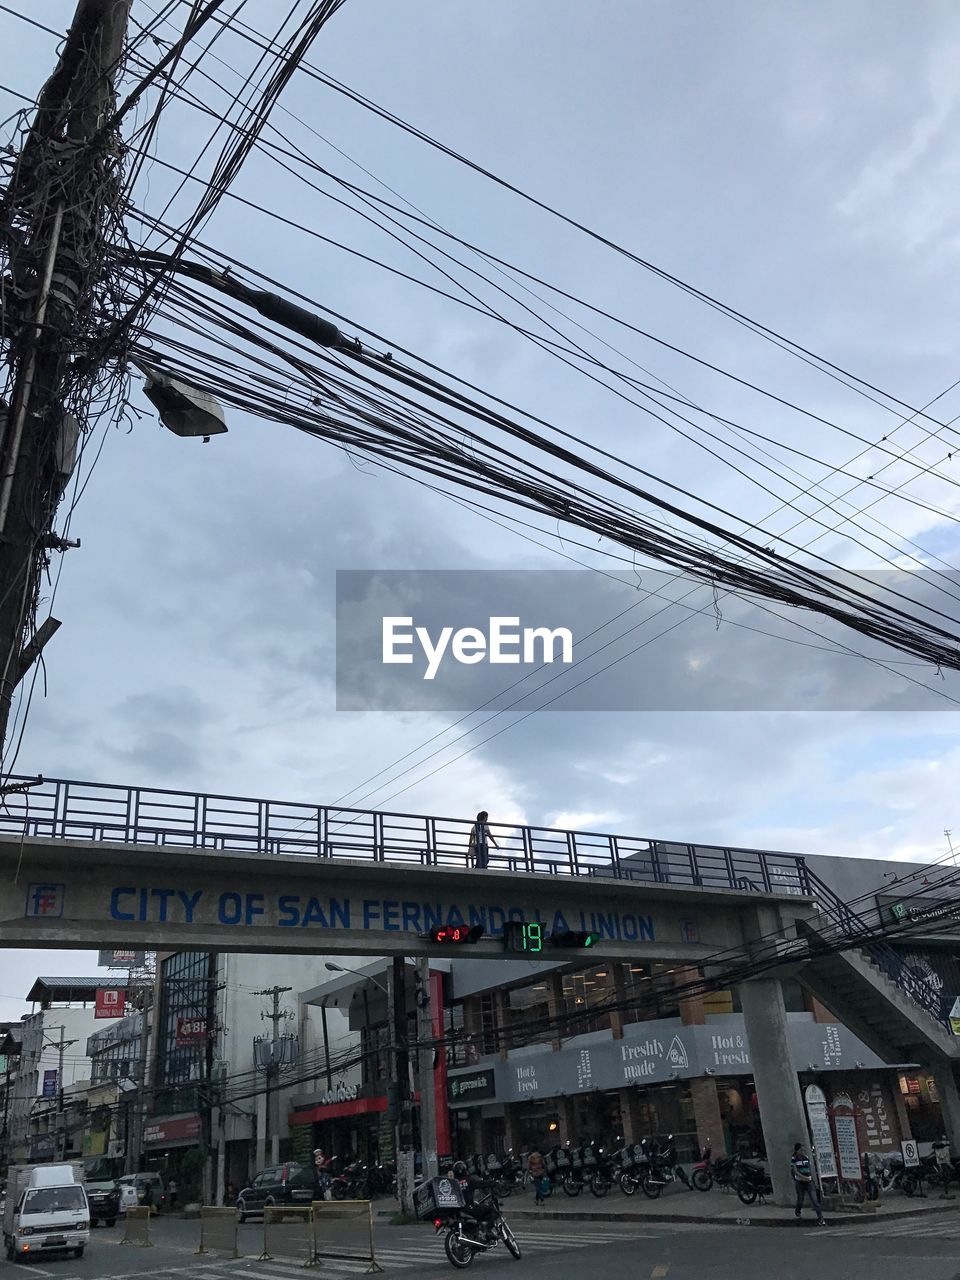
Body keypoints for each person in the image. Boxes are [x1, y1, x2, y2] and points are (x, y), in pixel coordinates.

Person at [450, 1160, 497, 1239]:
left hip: (456, 1210)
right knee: (491, 1210)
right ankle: (488, 1232)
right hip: (469, 1208)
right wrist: (493, 1182)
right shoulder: (468, 1181)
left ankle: (476, 1232)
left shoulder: (453, 1183)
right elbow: (481, 1184)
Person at [791, 1143, 825, 1225]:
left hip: (809, 1182)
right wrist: (803, 1177)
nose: (803, 1151)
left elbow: (809, 1169)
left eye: (803, 1150)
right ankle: (798, 1210)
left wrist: (810, 1179)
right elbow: (795, 1171)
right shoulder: (794, 1159)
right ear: (797, 1151)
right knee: (800, 1199)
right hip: (800, 1182)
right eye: (801, 1150)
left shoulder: (806, 1157)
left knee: (815, 1200)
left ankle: (820, 1218)